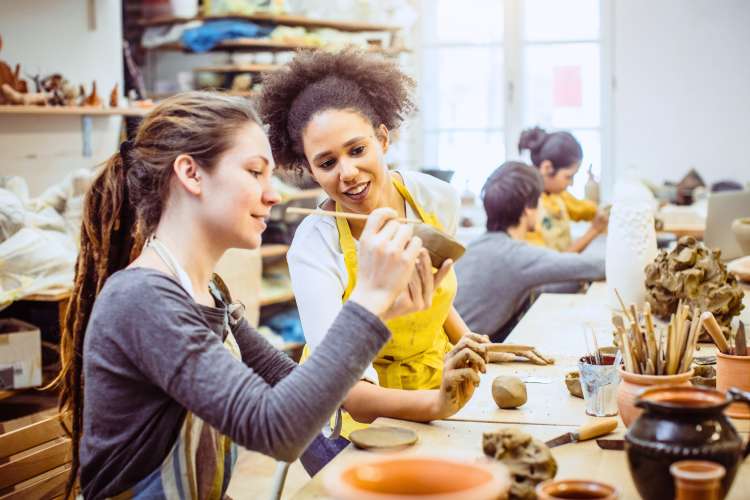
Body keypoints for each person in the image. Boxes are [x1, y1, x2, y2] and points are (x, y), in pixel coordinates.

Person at [51, 92, 475, 498]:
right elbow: (278, 429)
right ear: (190, 173)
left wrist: (389, 314)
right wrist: (367, 300)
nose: (272, 195)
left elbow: (298, 387)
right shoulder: (142, 300)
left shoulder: (208, 292)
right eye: (255, 172)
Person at [258, 49, 489, 472]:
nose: (346, 172)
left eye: (357, 149)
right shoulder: (314, 245)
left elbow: (432, 291)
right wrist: (438, 403)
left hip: (434, 388)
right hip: (350, 422)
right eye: (327, 162)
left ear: (382, 139)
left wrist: (469, 343)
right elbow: (352, 396)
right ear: (310, 170)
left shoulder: (436, 199)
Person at [455, 162, 605, 341]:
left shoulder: (477, 246)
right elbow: (595, 266)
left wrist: (576, 281)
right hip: (463, 356)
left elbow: (535, 287)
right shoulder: (515, 255)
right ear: (528, 209)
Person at [518, 127, 608, 253]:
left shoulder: (558, 196)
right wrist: (594, 231)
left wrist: (607, 211)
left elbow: (586, 209)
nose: (571, 183)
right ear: (547, 168)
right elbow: (549, 265)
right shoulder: (528, 209)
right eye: (568, 176)